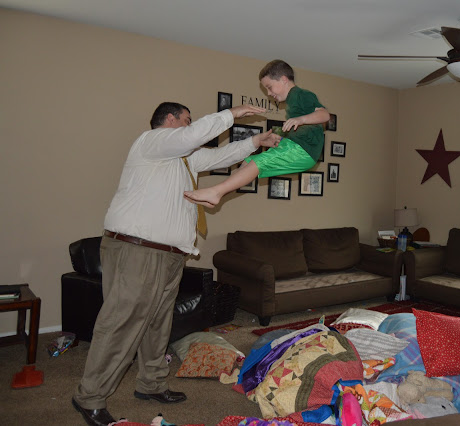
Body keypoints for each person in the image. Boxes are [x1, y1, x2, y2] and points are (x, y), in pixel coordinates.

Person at [72, 101, 279, 426]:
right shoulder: (151, 142)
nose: (190, 126)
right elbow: (191, 137)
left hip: (170, 254)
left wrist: (255, 142)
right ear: (170, 119)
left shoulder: (182, 159)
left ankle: (151, 384)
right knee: (122, 323)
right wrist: (232, 114)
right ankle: (90, 397)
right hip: (138, 249)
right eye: (187, 120)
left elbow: (219, 157)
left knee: (158, 322)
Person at [184, 59, 329, 207]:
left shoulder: (301, 95)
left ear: (284, 80)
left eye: (269, 87)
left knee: (258, 163)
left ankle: (215, 193)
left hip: (303, 150)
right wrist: (282, 136)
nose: (268, 93)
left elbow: (324, 115)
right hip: (297, 146)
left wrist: (301, 119)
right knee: (248, 162)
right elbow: (302, 129)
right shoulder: (292, 101)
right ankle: (218, 195)